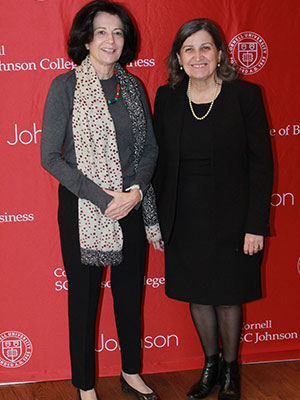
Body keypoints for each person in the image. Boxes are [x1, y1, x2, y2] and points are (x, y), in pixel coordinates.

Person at [41, 1, 162, 399]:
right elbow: (50, 157)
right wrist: (100, 197)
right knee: (84, 300)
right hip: (83, 208)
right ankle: (85, 386)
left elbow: (150, 150)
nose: (110, 40)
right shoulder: (65, 86)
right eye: (101, 32)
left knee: (129, 295)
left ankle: (130, 372)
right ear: (86, 40)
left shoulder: (132, 86)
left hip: (129, 204)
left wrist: (135, 194)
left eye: (118, 32)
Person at [153, 19, 273, 400]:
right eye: (189, 49)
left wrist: (255, 224)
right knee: (198, 293)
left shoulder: (244, 96)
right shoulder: (167, 97)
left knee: (228, 294)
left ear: (220, 53)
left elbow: (262, 164)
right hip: (183, 215)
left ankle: (232, 369)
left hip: (234, 218)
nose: (197, 56)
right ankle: (211, 365)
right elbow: (157, 162)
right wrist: (156, 219)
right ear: (178, 57)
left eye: (205, 47)